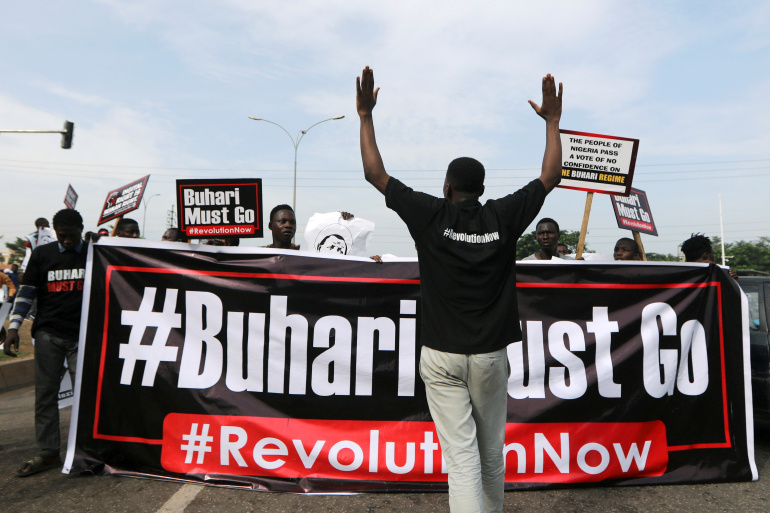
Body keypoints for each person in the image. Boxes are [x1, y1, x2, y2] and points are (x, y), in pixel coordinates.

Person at [357, 66, 562, 512]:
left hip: (442, 356)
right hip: (490, 356)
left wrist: (365, 116)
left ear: (447, 187)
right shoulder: (502, 216)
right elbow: (550, 176)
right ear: (482, 189)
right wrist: (551, 122)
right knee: (489, 453)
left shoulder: (430, 214)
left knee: (463, 457)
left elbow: (376, 174)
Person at [3, 209, 89, 477]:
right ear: (54, 231)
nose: (65, 241)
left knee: (85, 398)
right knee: (45, 397)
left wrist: (101, 244)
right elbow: (27, 292)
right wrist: (14, 328)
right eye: (61, 235)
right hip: (48, 334)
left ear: (81, 230)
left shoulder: (94, 253)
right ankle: (49, 453)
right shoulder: (43, 255)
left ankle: (87, 453)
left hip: (83, 336)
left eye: (71, 236)